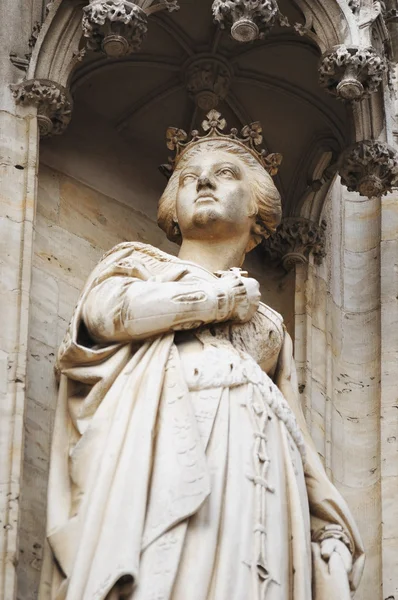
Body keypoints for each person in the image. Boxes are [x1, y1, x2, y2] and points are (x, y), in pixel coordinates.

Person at [41, 111, 364, 600]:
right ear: (173, 205)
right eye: (189, 177)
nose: (205, 180)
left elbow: (300, 442)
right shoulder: (137, 266)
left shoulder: (271, 328)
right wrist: (216, 301)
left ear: (258, 211)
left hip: (260, 477)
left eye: (227, 172)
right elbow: (107, 316)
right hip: (167, 458)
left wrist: (330, 526)